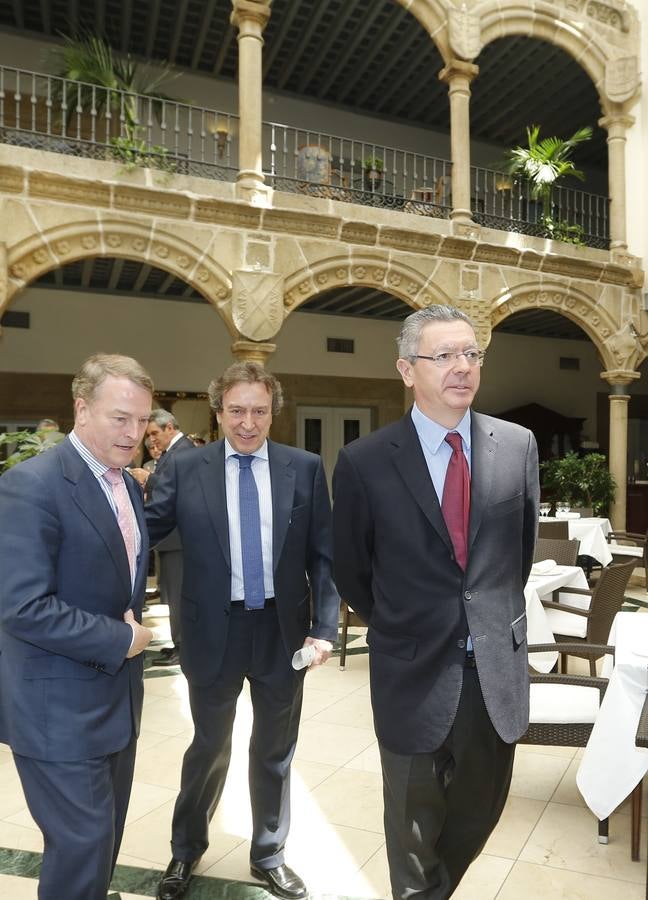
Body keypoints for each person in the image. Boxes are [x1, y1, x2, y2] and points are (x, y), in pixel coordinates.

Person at [332, 305, 539, 899]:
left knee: (479, 812)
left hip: (493, 672)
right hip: (412, 670)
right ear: (406, 369)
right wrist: (407, 624)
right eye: (443, 355)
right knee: (411, 827)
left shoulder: (517, 446)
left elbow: (514, 560)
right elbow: (353, 572)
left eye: (471, 354)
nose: (462, 368)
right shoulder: (365, 462)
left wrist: (483, 620)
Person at [146, 361, 339, 900]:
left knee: (275, 750)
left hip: (283, 633)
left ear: (274, 412)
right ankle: (185, 851)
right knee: (208, 745)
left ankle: (269, 853)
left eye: (258, 410)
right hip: (214, 630)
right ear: (219, 411)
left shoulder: (301, 468)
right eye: (237, 411)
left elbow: (324, 555)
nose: (247, 423)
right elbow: (143, 534)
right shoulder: (187, 468)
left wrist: (324, 627)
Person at [0, 353, 154, 900]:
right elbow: (22, 606)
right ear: (81, 409)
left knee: (100, 847)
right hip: (56, 709)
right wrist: (124, 639)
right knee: (81, 849)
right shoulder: (31, 485)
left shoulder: (126, 485)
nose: (134, 433)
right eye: (120, 418)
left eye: (142, 421)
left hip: (115, 705)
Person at [130, 410, 195, 667]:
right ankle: (178, 643)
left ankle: (184, 647)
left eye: (155, 433)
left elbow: (182, 490)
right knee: (171, 596)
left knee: (179, 597)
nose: (153, 440)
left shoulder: (185, 449)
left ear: (170, 427)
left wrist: (149, 478)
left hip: (178, 538)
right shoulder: (174, 452)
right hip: (170, 539)